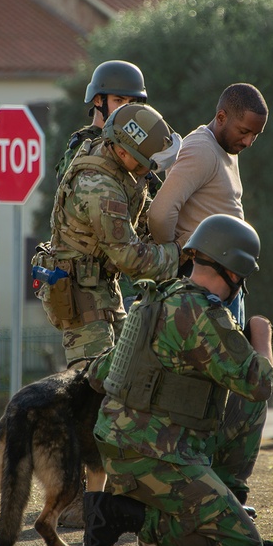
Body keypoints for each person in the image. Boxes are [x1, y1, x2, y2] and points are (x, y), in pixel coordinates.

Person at [82, 214, 273, 546]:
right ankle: (126, 516)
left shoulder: (159, 299)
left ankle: (226, 504)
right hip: (154, 455)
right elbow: (260, 383)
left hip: (122, 444)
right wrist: (262, 334)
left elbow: (98, 374)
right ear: (235, 275)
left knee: (243, 405)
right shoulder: (204, 314)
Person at [35, 102, 181, 371]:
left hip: (102, 287)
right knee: (93, 386)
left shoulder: (117, 165)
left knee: (131, 371)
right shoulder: (101, 188)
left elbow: (142, 215)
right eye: (146, 162)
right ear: (123, 152)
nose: (149, 171)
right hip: (81, 298)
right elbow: (130, 258)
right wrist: (178, 254)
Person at [147, 82, 268, 324]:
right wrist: (177, 257)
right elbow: (160, 214)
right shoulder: (202, 149)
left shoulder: (224, 149)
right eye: (244, 132)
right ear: (221, 117)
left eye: (255, 135)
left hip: (225, 285)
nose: (248, 142)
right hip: (207, 289)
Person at [54, 60, 149, 182]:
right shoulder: (85, 145)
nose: (126, 108)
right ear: (98, 100)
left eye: (132, 102)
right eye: (119, 101)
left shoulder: (135, 144)